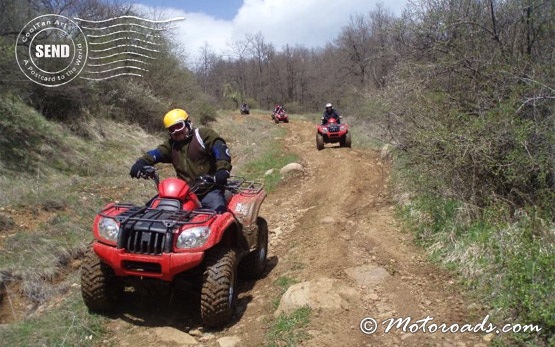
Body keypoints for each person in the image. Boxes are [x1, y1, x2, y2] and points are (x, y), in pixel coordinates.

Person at [129, 108, 232, 213]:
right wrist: (141, 162)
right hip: (183, 192)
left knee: (216, 215)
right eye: (171, 129)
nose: (176, 131)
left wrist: (222, 170)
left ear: (188, 123)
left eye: (179, 126)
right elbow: (156, 153)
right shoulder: (172, 144)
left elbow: (220, 149)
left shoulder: (203, 135)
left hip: (209, 189)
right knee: (149, 211)